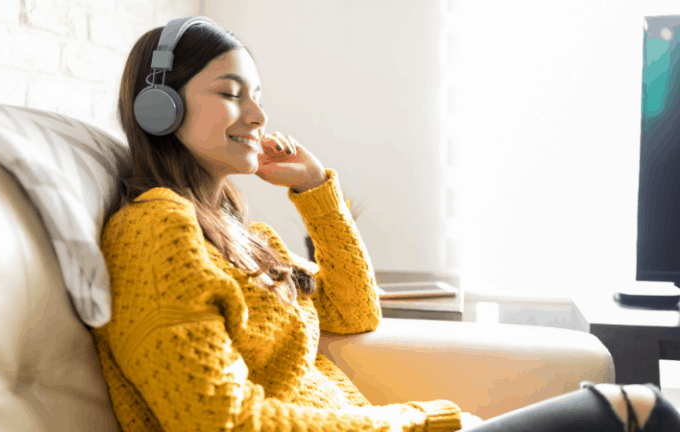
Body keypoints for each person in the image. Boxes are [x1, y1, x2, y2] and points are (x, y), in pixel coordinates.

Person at [89, 16, 680, 432]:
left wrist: (316, 192)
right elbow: (219, 422)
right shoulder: (155, 231)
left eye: (259, 95)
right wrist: (421, 420)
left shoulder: (245, 235)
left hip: (372, 423)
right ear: (158, 106)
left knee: (640, 411)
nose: (259, 115)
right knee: (640, 411)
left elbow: (354, 313)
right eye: (231, 93)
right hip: (396, 428)